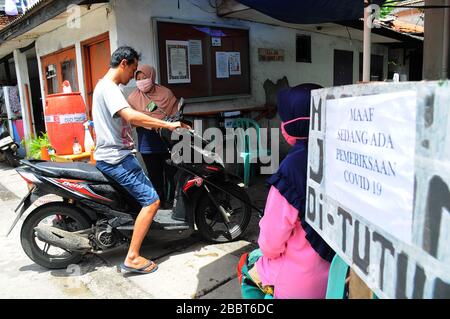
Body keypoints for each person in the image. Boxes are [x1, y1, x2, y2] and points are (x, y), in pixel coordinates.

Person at [92, 46, 188, 274]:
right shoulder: (110, 88)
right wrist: (167, 124)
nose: (134, 78)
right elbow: (131, 115)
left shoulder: (102, 86)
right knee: (152, 201)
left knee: (142, 199)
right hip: (118, 159)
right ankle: (133, 257)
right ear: (124, 63)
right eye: (133, 69)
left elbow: (133, 121)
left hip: (113, 156)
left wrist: (156, 123)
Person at [237, 83, 335, 298]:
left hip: (301, 283)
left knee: (248, 270)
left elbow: (271, 244)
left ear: (291, 125)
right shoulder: (345, 155)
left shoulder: (292, 168)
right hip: (339, 273)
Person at [127, 65, 178, 207]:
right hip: (147, 143)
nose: (142, 81)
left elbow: (175, 115)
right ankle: (158, 204)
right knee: (154, 176)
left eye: (145, 78)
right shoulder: (132, 98)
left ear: (152, 77)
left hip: (168, 140)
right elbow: (131, 121)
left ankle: (174, 203)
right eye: (138, 78)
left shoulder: (166, 93)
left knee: (172, 174)